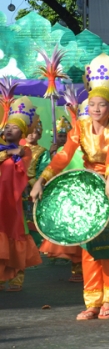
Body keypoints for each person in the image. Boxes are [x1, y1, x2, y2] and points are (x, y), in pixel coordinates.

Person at [31, 53, 109, 320]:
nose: (97, 109)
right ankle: (92, 302)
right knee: (89, 248)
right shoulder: (81, 126)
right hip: (89, 187)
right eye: (93, 105)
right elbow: (65, 154)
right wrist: (42, 179)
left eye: (102, 105)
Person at [0, 97, 42, 291]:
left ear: (23, 133)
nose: (9, 130)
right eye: (7, 127)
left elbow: (22, 170)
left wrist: (10, 154)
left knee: (15, 234)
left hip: (12, 202)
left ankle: (17, 276)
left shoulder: (24, 151)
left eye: (14, 128)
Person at [39, 115, 83, 282]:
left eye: (65, 135)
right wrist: (52, 156)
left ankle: (82, 268)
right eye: (60, 136)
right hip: (66, 197)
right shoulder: (58, 153)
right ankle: (77, 268)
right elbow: (55, 173)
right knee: (70, 231)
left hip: (83, 195)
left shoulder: (81, 151)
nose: (63, 139)